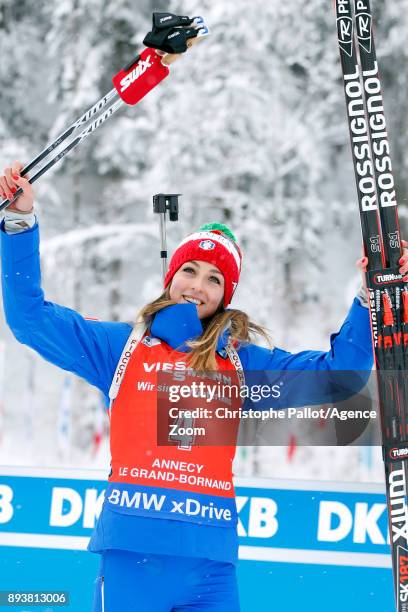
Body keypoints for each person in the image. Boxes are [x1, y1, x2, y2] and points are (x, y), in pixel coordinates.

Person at [1, 161, 408, 612]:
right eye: (190, 270)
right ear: (170, 276)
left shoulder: (240, 365)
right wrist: (20, 223)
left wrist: (371, 298)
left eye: (214, 278)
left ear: (225, 295)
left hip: (211, 568)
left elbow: (336, 378)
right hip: (133, 556)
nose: (198, 285)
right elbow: (29, 318)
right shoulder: (121, 347)